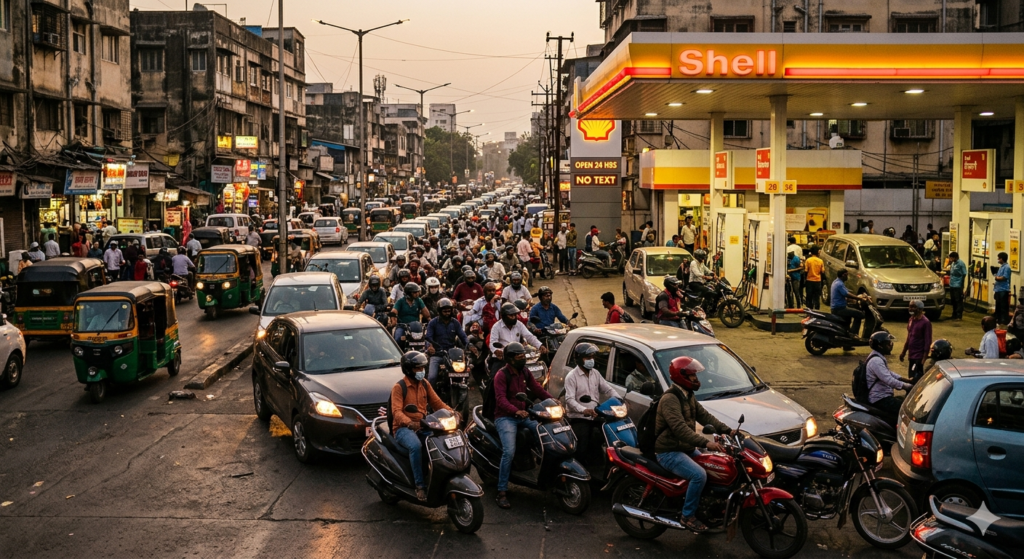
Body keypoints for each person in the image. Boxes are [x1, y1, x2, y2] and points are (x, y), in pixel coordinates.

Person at [655, 356, 734, 533]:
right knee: (699, 475)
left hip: (685, 448)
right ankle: (688, 516)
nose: (696, 379)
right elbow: (680, 429)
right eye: (692, 376)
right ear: (682, 376)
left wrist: (728, 430)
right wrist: (706, 442)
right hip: (668, 451)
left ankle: (706, 510)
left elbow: (705, 416)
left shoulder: (688, 395)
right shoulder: (670, 399)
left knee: (713, 467)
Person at [491, 341, 553, 509]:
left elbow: (537, 389)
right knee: (509, 452)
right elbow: (500, 400)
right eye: (519, 356)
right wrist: (516, 411)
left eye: (523, 356)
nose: (523, 359)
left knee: (545, 434)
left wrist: (552, 400)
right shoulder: (501, 375)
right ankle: (502, 491)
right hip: (505, 418)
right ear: (510, 359)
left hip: (524, 415)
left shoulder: (525, 371)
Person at [390, 351, 454, 501]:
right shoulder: (399, 387)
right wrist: (409, 423)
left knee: (440, 441)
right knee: (415, 446)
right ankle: (419, 485)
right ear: (408, 369)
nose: (421, 371)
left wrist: (452, 413)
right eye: (417, 368)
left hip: (423, 425)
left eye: (423, 368)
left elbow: (437, 403)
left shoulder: (424, 384)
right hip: (403, 428)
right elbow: (396, 412)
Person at [563, 343, 618, 460]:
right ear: (579, 358)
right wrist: (584, 410)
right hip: (579, 417)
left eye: (592, 357)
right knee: (583, 441)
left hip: (595, 415)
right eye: (588, 358)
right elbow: (569, 399)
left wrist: (619, 400)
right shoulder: (571, 377)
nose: (591, 360)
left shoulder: (595, 373)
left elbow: (608, 389)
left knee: (611, 431)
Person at [864, 332, 913, 428]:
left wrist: (906, 380)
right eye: (888, 344)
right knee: (906, 410)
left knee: (904, 400)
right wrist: (906, 386)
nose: (891, 345)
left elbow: (888, 373)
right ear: (880, 346)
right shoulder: (876, 361)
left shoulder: (877, 356)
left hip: (883, 396)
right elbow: (888, 379)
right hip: (879, 398)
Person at [488, 303, 545, 375]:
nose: (514, 317)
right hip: (502, 357)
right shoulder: (496, 327)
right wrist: (496, 351)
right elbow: (492, 342)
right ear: (503, 316)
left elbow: (529, 336)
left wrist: (540, 345)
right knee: (495, 376)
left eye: (515, 315)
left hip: (517, 356)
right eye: (511, 315)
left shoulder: (519, 324)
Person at [424, 298, 469, 387]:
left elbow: (463, 336)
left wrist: (469, 345)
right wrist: (430, 346)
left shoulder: (455, 323)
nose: (447, 313)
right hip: (437, 354)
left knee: (463, 374)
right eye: (445, 311)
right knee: (432, 377)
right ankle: (429, 395)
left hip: (451, 355)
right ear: (439, 311)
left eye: (449, 311)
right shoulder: (433, 323)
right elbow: (428, 337)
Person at [899, 300, 932, 382]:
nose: (910, 309)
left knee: (915, 379)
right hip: (911, 355)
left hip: (918, 356)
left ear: (920, 309)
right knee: (911, 376)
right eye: (910, 306)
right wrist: (903, 352)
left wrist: (923, 360)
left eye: (913, 307)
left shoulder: (925, 322)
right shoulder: (911, 319)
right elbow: (909, 338)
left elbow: (927, 341)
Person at [830, 269, 866, 338]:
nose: (847, 277)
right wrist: (859, 298)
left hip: (838, 307)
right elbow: (846, 294)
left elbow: (845, 292)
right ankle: (853, 333)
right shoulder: (839, 284)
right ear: (843, 275)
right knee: (860, 314)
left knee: (849, 316)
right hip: (839, 308)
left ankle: (847, 334)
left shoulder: (836, 282)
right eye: (847, 275)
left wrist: (854, 298)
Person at [945, 251, 967, 321]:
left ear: (955, 257)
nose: (950, 259)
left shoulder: (961, 264)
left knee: (958, 300)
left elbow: (964, 273)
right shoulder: (953, 263)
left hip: (958, 284)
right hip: (952, 284)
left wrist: (962, 285)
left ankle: (959, 315)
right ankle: (954, 314)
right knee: (953, 300)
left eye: (951, 258)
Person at [994, 251, 1011, 325]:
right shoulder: (1002, 267)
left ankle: (1004, 321)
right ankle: (998, 319)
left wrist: (997, 278)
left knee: (1003, 307)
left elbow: (1005, 277)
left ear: (1002, 259)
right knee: (998, 306)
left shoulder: (1007, 267)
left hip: (1003, 290)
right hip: (998, 289)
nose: (998, 259)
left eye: (999, 258)